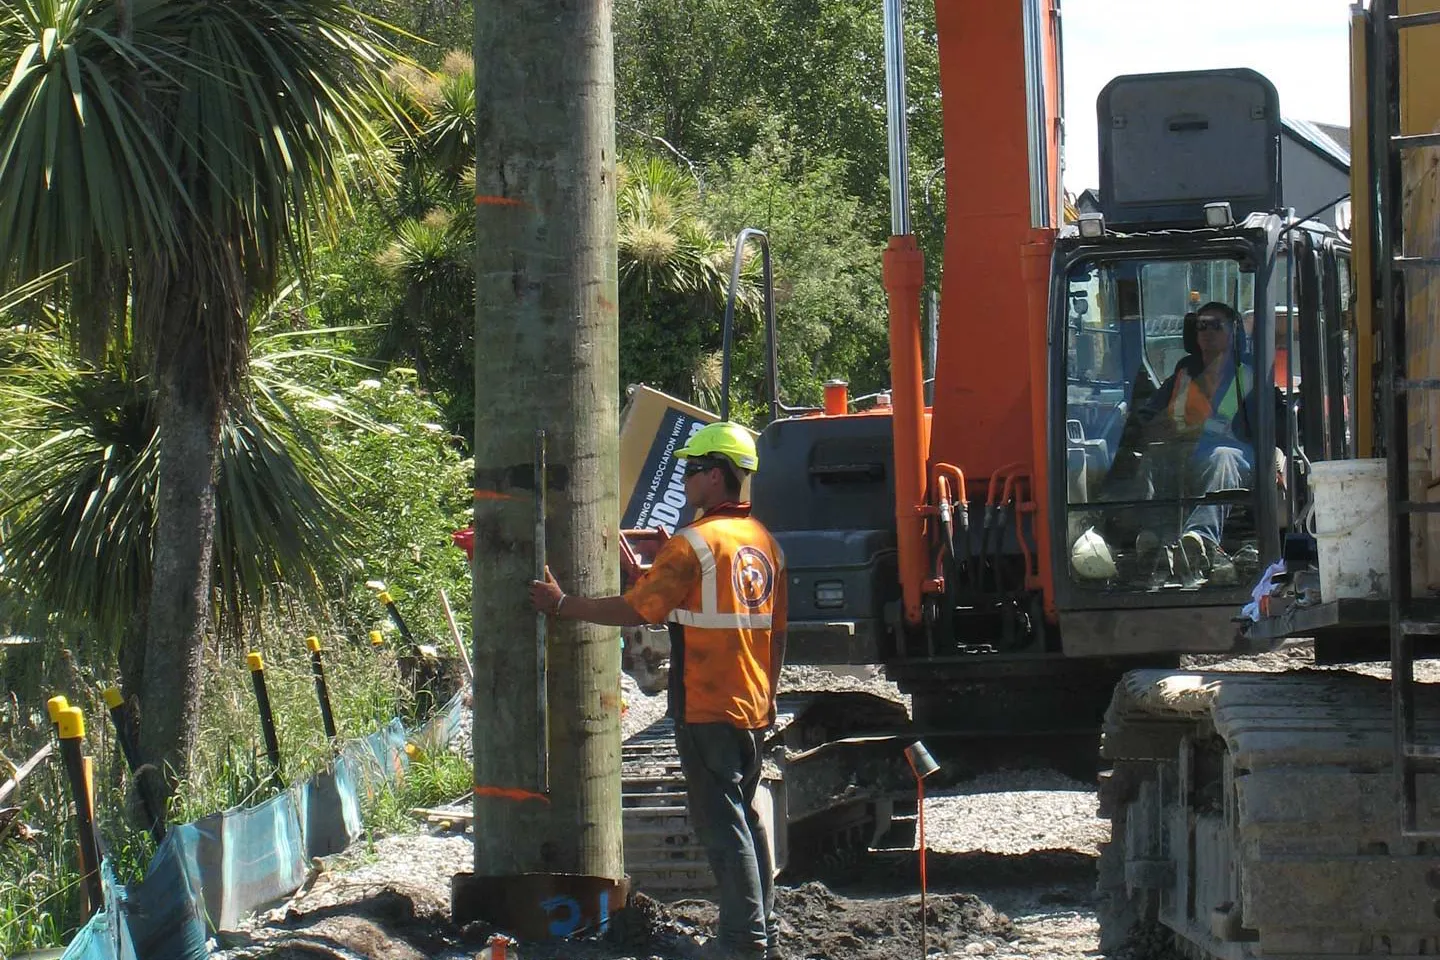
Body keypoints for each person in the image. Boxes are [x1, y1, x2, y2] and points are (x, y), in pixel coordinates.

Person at [528, 420, 787, 960]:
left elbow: (636, 608)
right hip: (751, 704)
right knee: (745, 815)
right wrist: (770, 696)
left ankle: (745, 943)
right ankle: (762, 927)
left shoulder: (692, 544)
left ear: (716, 476)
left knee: (724, 828)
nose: (685, 478)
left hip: (706, 702)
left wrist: (562, 605)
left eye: (691, 469)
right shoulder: (764, 543)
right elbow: (777, 634)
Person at [1129, 301, 1257, 585]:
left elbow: (1267, 426)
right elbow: (1148, 415)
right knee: (1150, 456)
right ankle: (1153, 540)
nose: (1206, 332)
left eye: (1215, 325)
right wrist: (1152, 428)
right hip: (1184, 455)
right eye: (1201, 325)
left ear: (1233, 333)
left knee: (1222, 456)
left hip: (1235, 458)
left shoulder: (1247, 375)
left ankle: (1199, 541)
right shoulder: (1184, 374)